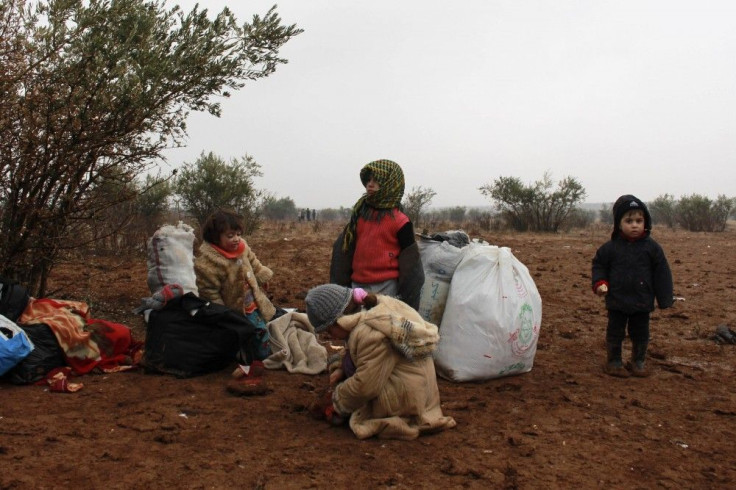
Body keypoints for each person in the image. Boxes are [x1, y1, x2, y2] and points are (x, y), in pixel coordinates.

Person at [304, 283, 457, 440]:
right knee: (349, 365)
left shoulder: (370, 332)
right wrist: (340, 368)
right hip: (421, 393)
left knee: (354, 392)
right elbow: (353, 350)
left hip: (411, 404)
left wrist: (337, 402)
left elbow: (365, 385)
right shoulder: (377, 308)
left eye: (329, 330)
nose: (333, 337)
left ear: (340, 320)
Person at [194, 208, 276, 394]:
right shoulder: (208, 263)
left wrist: (263, 276)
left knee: (261, 327)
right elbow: (209, 291)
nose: (236, 239)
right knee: (253, 332)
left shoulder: (242, 248)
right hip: (234, 310)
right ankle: (257, 359)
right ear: (215, 237)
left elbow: (254, 262)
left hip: (253, 301)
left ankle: (257, 356)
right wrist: (222, 313)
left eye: (238, 234)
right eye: (230, 235)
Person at [592, 195, 674, 378]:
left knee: (641, 334)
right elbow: (599, 266)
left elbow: (662, 273)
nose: (635, 225)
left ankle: (638, 362)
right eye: (629, 221)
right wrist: (600, 283)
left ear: (646, 222)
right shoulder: (609, 248)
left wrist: (665, 299)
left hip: (642, 302)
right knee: (615, 332)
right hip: (617, 301)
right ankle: (614, 362)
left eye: (639, 220)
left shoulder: (652, 248)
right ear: (618, 223)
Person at [330, 159, 424, 310]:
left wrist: (406, 302)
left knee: (380, 325)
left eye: (376, 180)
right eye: (368, 180)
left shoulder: (401, 222)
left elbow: (411, 265)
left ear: (390, 184)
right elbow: (343, 252)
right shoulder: (360, 214)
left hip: (386, 288)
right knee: (357, 327)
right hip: (357, 285)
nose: (370, 184)